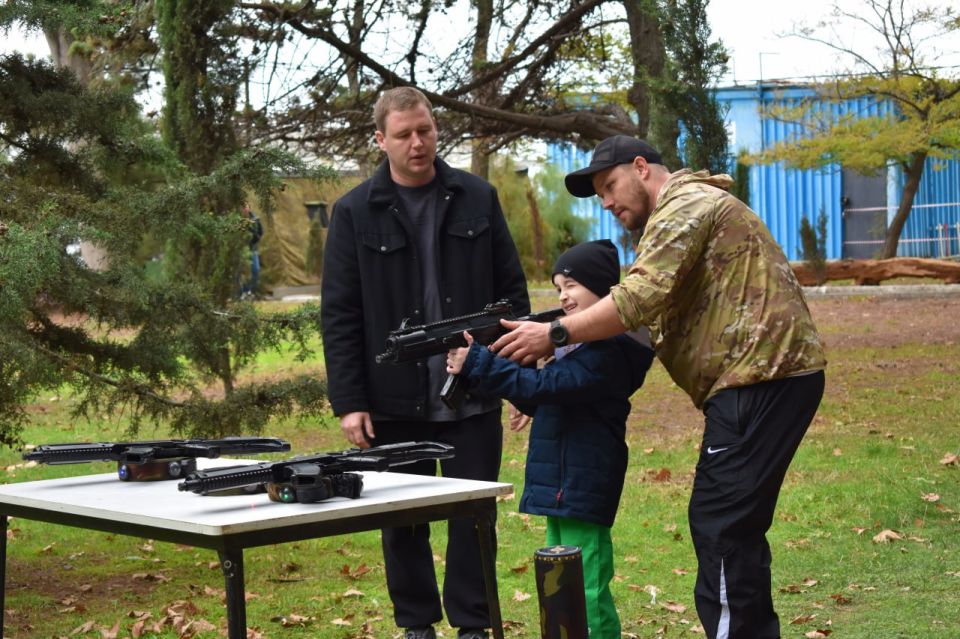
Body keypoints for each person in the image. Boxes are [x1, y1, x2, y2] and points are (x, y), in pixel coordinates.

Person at [490, 135, 827, 639]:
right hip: (761, 378)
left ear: (642, 167)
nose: (606, 202)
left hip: (759, 377)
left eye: (609, 186)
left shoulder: (683, 205)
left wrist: (555, 333)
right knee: (730, 527)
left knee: (722, 528)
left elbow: (638, 298)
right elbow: (639, 327)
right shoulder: (688, 212)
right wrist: (538, 352)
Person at [319, 86, 529, 639]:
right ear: (380, 140)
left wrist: (515, 376)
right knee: (401, 520)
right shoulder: (352, 212)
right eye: (405, 134)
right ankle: (416, 625)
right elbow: (340, 315)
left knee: (473, 517)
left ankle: (474, 625)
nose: (419, 143)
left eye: (426, 130)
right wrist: (350, 400)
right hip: (392, 397)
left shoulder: (478, 198)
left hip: (475, 389)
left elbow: (513, 298)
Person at [446, 239, 654, 639]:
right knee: (560, 581)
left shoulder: (607, 352)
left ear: (605, 290)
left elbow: (547, 386)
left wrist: (479, 362)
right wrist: (493, 374)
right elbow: (543, 395)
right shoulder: (577, 349)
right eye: (559, 287)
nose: (563, 296)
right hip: (561, 484)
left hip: (582, 483)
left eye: (572, 284)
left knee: (587, 585)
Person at [241, 204, 263, 298]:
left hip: (252, 248)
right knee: (241, 272)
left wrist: (255, 238)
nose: (245, 209)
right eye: (243, 207)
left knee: (256, 270)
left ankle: (249, 291)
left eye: (246, 207)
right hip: (241, 249)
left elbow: (260, 232)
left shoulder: (254, 218)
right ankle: (241, 292)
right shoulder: (238, 220)